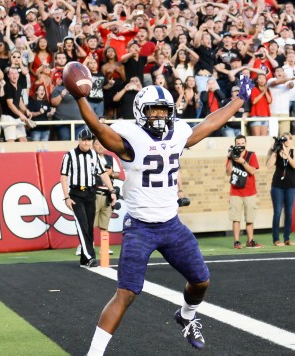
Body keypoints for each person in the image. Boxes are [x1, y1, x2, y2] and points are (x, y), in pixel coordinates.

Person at [69, 70, 255, 353]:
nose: (158, 116)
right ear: (140, 112)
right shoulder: (129, 137)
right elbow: (97, 128)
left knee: (201, 280)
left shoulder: (178, 131)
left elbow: (209, 123)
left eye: (163, 111)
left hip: (171, 225)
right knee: (126, 293)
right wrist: (81, 98)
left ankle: (186, 316)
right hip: (140, 227)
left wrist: (238, 101)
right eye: (153, 110)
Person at [60, 128, 114, 268]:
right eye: (84, 140)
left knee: (89, 227)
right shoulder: (70, 155)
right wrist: (66, 197)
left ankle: (84, 258)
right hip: (77, 194)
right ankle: (90, 256)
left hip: (91, 194)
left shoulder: (94, 155)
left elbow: (102, 173)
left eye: (88, 140)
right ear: (79, 140)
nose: (86, 143)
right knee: (82, 225)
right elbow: (63, 177)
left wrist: (112, 190)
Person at [226, 134, 262, 249]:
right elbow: (227, 172)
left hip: (250, 192)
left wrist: (242, 161)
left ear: (246, 144)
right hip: (235, 191)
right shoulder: (232, 155)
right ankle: (236, 241)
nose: (240, 146)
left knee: (250, 218)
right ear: (235, 144)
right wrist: (230, 158)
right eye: (238, 144)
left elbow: (252, 171)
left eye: (242, 143)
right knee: (236, 218)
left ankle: (250, 241)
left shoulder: (251, 155)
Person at [266, 132, 295, 246]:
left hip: (290, 186)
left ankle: (287, 238)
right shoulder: (277, 152)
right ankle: (276, 239)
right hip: (277, 186)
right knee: (278, 212)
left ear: (291, 140)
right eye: (284, 139)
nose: (286, 141)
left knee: (289, 212)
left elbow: (294, 164)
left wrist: (286, 152)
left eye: (288, 139)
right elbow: (268, 166)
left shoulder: (294, 151)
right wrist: (274, 150)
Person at [93, 137, 118, 256]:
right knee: (89, 222)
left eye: (102, 143)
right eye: (97, 144)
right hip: (94, 193)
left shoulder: (110, 158)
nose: (100, 146)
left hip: (107, 194)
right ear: (93, 146)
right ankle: (86, 246)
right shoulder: (90, 158)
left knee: (105, 222)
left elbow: (117, 173)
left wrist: (111, 173)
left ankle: (104, 247)